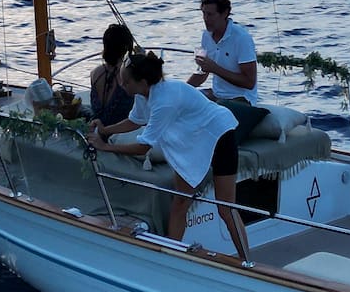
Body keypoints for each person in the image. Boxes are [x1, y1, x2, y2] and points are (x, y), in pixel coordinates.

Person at [91, 51, 251, 263]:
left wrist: (105, 147)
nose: (122, 84)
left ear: (142, 81)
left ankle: (248, 261)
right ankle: (171, 256)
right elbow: (135, 121)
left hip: (220, 134)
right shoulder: (142, 94)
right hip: (194, 141)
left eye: (126, 81)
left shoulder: (164, 101)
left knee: (226, 208)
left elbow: (143, 147)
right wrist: (105, 131)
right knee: (179, 203)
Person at [188, 0, 259, 105]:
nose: (205, 19)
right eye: (204, 14)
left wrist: (215, 68)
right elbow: (203, 73)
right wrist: (181, 90)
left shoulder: (241, 38)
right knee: (183, 101)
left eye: (210, 14)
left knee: (211, 112)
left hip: (241, 99)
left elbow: (249, 83)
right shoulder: (206, 35)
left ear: (225, 13)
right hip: (217, 95)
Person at [88, 22, 135, 127]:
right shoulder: (128, 75)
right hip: (119, 131)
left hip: (97, 127)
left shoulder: (95, 73)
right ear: (126, 48)